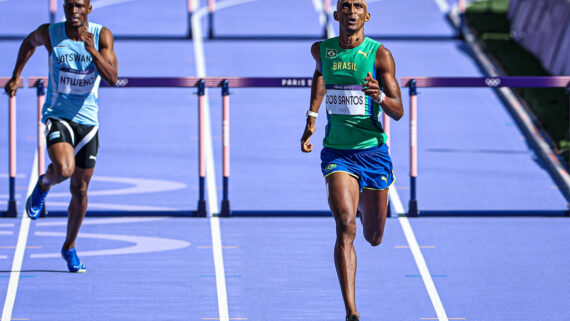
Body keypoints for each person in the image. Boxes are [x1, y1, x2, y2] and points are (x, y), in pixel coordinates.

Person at [300, 0, 404, 320]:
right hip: (337, 153)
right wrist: (311, 117)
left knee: (373, 237)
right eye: (346, 6)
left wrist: (380, 97)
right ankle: (351, 312)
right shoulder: (322, 50)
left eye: (358, 6)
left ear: (367, 16)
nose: (351, 11)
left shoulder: (380, 55)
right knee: (345, 226)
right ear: (336, 15)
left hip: (373, 152)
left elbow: (398, 111)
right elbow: (320, 76)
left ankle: (359, 200)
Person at [4, 0, 118, 273]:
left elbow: (113, 78)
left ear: (89, 8)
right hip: (58, 115)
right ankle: (44, 183)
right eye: (69, 6)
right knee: (64, 170)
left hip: (88, 123)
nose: (74, 11)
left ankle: (69, 247)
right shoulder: (51, 33)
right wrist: (16, 75)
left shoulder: (102, 36)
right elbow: (29, 43)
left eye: (79, 6)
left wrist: (92, 51)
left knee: (80, 191)